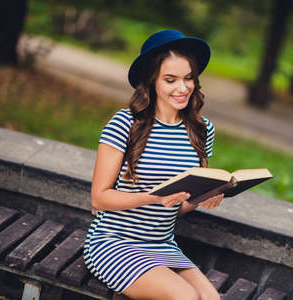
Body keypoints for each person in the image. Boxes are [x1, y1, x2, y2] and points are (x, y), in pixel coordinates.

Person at [83, 29, 223, 300]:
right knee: (185, 298)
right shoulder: (125, 124)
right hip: (113, 243)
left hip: (162, 244)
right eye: (170, 80)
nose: (183, 88)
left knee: (211, 299)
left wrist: (204, 197)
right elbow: (99, 199)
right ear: (152, 81)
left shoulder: (202, 130)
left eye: (188, 78)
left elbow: (179, 205)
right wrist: (155, 197)